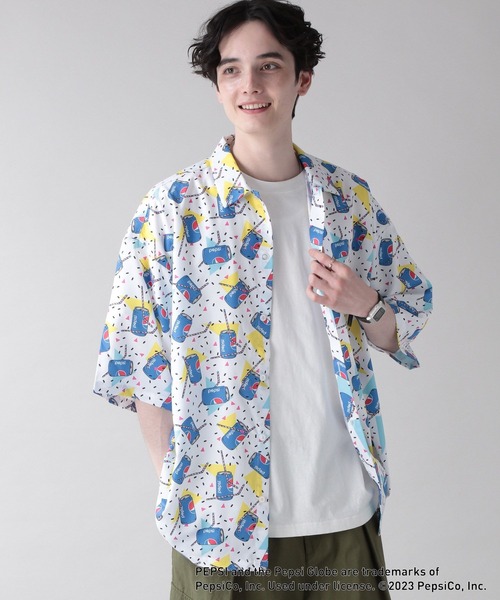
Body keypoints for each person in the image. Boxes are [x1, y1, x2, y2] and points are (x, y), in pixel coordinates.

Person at [93, 1, 432, 598]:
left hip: (343, 514)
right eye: (231, 69)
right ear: (217, 85)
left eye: (269, 65)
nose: (249, 84)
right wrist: (180, 486)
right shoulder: (172, 210)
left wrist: (368, 303)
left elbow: (402, 321)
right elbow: (139, 362)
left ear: (303, 79)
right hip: (217, 528)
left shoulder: (348, 201)